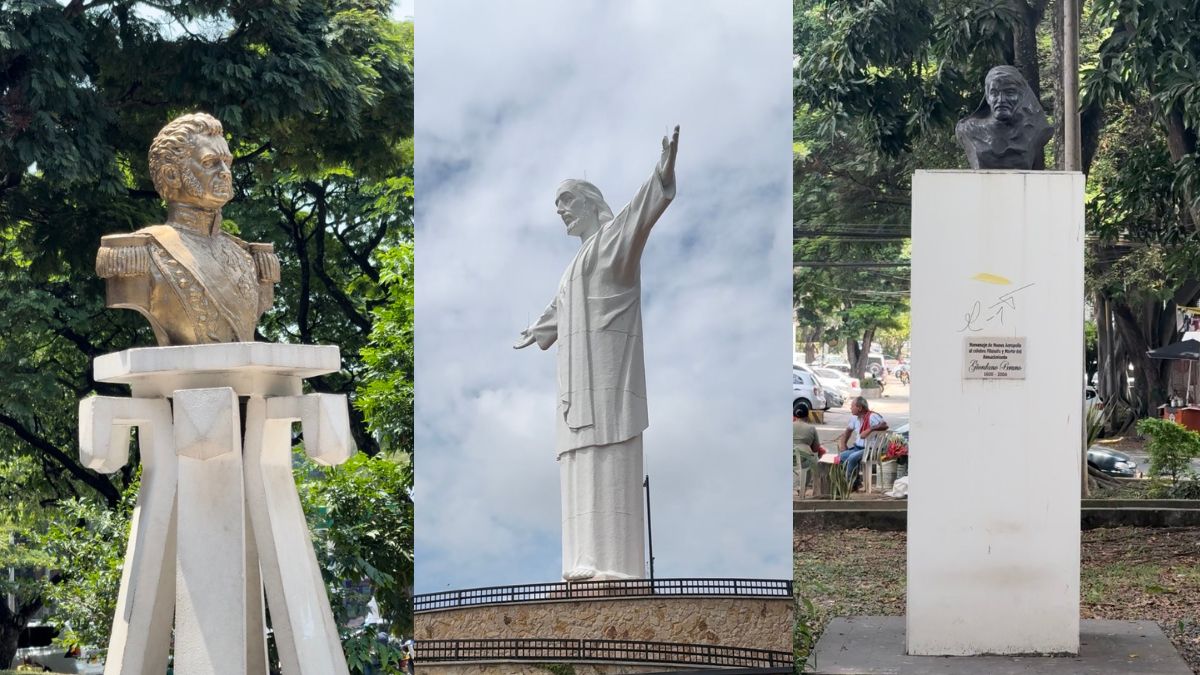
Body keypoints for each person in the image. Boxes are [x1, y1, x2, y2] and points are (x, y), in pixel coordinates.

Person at [514, 126, 679, 581]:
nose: (561, 211)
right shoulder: (575, 265)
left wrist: (661, 172)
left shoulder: (611, 244)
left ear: (591, 203)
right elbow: (560, 308)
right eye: (557, 205)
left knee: (609, 456)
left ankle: (615, 567)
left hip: (610, 378)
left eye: (566, 200)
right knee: (578, 461)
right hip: (575, 388)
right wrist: (539, 328)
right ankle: (580, 563)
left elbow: (638, 216)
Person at [96, 112, 280, 345]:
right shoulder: (143, 251)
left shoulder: (247, 256)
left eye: (227, 162)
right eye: (210, 162)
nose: (225, 171)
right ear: (171, 174)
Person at [955, 65, 1053, 170]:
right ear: (987, 97)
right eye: (994, 93)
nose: (1001, 100)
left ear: (1021, 95)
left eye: (1009, 92)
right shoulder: (968, 130)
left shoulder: (1037, 131)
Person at [837, 396, 888, 485]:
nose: (850, 408)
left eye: (852, 406)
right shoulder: (854, 418)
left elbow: (885, 425)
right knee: (840, 457)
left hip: (870, 450)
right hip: (858, 448)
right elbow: (848, 431)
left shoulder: (873, 416)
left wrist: (870, 429)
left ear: (860, 408)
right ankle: (853, 482)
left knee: (852, 457)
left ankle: (851, 485)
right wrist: (843, 444)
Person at [793, 401, 822, 497]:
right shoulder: (811, 428)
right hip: (804, 458)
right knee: (812, 463)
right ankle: (805, 489)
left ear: (794, 415)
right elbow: (816, 448)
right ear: (807, 415)